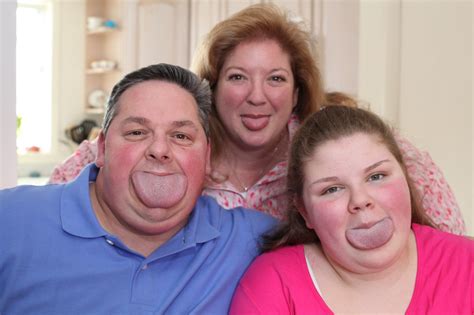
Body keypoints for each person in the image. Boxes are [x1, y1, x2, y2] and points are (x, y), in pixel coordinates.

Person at [48, 4, 465, 234]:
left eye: (276, 79)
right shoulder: (177, 149)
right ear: (210, 88)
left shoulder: (334, 154)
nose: (257, 96)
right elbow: (63, 189)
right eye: (237, 77)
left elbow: (446, 237)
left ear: (298, 91)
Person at [0, 64, 277, 314]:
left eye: (181, 136)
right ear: (102, 148)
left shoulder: (255, 239)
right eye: (136, 132)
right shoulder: (10, 221)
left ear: (206, 157)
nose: (159, 150)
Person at [229, 105, 474, 314]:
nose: (360, 199)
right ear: (304, 212)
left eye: (377, 176)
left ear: (405, 177)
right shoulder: (272, 283)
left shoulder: (467, 264)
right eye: (332, 189)